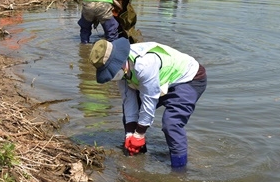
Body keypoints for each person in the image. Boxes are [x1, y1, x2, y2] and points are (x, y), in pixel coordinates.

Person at [89, 36, 207, 168]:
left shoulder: (144, 64)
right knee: (131, 117)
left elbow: (149, 101)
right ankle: (135, 157)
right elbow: (129, 101)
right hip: (161, 81)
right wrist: (130, 134)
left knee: (171, 124)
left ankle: (179, 170)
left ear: (120, 61)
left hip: (190, 78)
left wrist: (139, 133)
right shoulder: (123, 70)